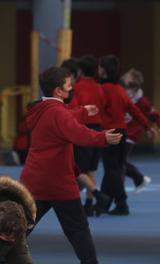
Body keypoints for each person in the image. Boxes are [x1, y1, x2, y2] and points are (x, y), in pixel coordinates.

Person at [20, 66, 123, 264]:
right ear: (58, 91)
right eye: (69, 86)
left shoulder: (42, 109)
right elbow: (78, 133)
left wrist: (83, 112)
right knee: (78, 228)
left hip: (34, 179)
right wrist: (104, 138)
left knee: (20, 225)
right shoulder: (57, 113)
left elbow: (62, 117)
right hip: (57, 181)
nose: (72, 89)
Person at [97, 55, 150, 215]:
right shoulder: (120, 90)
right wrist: (147, 126)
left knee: (112, 170)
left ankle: (122, 203)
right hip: (122, 132)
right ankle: (104, 205)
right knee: (113, 169)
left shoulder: (102, 90)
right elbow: (134, 110)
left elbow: (95, 110)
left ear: (104, 71)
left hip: (109, 133)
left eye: (100, 67)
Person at [67, 55, 110, 217]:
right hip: (97, 128)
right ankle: (90, 203)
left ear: (80, 71)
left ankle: (97, 193)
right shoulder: (99, 87)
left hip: (83, 127)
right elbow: (104, 106)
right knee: (92, 168)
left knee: (77, 169)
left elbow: (74, 107)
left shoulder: (76, 87)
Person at [121, 68, 159, 193]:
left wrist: (153, 127)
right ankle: (137, 180)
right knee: (119, 162)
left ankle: (139, 178)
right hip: (121, 131)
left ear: (134, 85)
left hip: (131, 134)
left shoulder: (142, 101)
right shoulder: (122, 92)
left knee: (119, 162)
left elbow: (154, 115)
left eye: (127, 77)